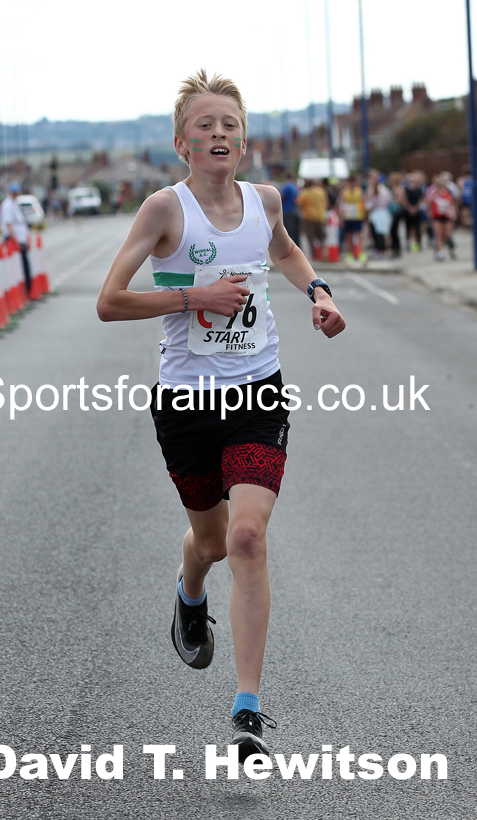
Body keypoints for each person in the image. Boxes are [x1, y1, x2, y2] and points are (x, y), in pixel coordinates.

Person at [97, 70, 345, 762]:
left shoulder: (265, 201)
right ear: (182, 143)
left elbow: (285, 251)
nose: (218, 134)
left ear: (244, 140)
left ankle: (246, 709)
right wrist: (191, 297)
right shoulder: (163, 210)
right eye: (204, 125)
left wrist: (317, 293)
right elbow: (109, 301)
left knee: (245, 537)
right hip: (185, 404)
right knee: (207, 543)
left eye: (229, 124)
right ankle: (189, 587)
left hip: (256, 393)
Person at [0, 182, 32, 296]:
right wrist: (15, 240)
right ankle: (22, 293)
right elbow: (8, 224)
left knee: (23, 266)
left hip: (20, 238)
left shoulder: (14, 204)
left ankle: (26, 292)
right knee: (17, 267)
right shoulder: (8, 205)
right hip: (14, 240)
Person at [337, 175, 367, 262]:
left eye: (353, 182)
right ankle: (349, 254)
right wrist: (341, 217)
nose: (352, 184)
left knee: (359, 235)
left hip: (357, 216)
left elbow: (363, 203)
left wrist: (364, 215)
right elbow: (341, 204)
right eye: (350, 182)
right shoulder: (344, 192)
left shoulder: (359, 191)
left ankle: (361, 254)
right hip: (348, 217)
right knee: (348, 236)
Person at [297, 179, 328, 260]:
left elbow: (299, 203)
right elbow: (326, 203)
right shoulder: (321, 191)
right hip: (320, 217)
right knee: (321, 237)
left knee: (311, 238)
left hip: (309, 218)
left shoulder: (304, 193)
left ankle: (314, 256)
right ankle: (324, 254)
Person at [280, 173, 300, 245]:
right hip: (293, 210)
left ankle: (288, 246)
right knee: (293, 230)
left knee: (287, 230)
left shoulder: (287, 186)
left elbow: (281, 196)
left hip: (286, 210)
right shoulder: (295, 187)